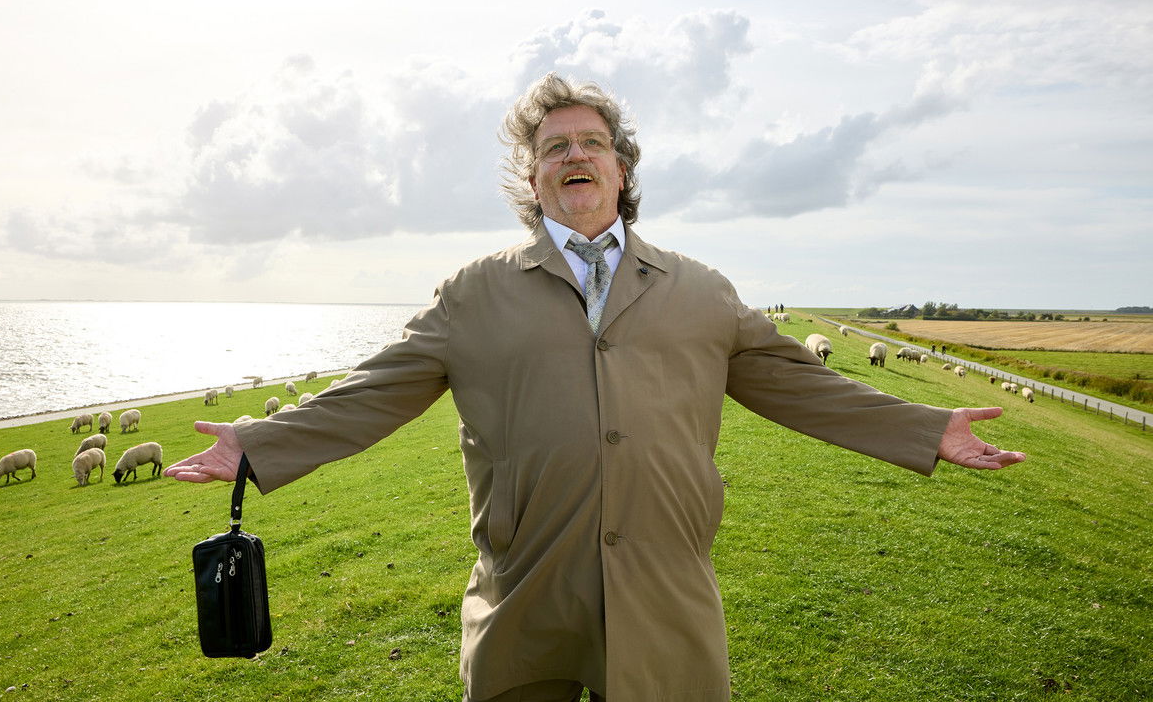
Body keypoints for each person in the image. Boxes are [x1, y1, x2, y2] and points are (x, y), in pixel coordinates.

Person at [164, 73, 1026, 702]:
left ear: (620, 171)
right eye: (553, 148)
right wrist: (259, 441)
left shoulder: (699, 288)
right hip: (524, 586)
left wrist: (925, 426)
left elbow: (799, 383)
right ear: (532, 180)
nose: (573, 155)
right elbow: (376, 388)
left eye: (591, 144)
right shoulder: (473, 291)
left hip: (667, 581)